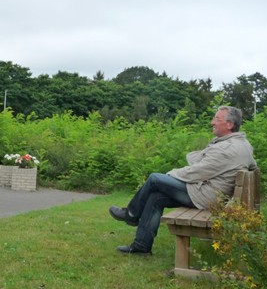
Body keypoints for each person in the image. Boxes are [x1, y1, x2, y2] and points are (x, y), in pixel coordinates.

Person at [109, 105, 257, 255]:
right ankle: (141, 247)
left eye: (217, 119)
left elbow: (196, 172)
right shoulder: (243, 144)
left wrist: (170, 174)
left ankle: (131, 215)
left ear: (229, 124)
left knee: (155, 179)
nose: (212, 122)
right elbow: (252, 166)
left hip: (206, 197)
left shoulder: (226, 149)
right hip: (214, 194)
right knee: (155, 198)